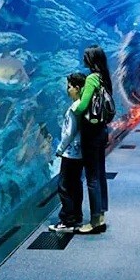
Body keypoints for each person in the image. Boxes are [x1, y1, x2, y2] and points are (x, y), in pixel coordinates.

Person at [72, 45, 113, 233]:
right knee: (100, 173)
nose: (83, 59)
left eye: (85, 56)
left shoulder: (91, 78)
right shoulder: (105, 77)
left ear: (91, 59)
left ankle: (95, 221)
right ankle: (101, 214)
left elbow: (83, 105)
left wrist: (73, 109)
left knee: (92, 177)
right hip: (102, 130)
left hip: (91, 132)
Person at [48, 72, 87, 233]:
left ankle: (67, 220)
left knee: (64, 186)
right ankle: (76, 215)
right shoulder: (84, 105)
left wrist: (59, 149)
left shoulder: (74, 108)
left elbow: (69, 133)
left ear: (77, 88)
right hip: (80, 152)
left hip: (70, 153)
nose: (67, 90)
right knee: (76, 184)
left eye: (69, 87)